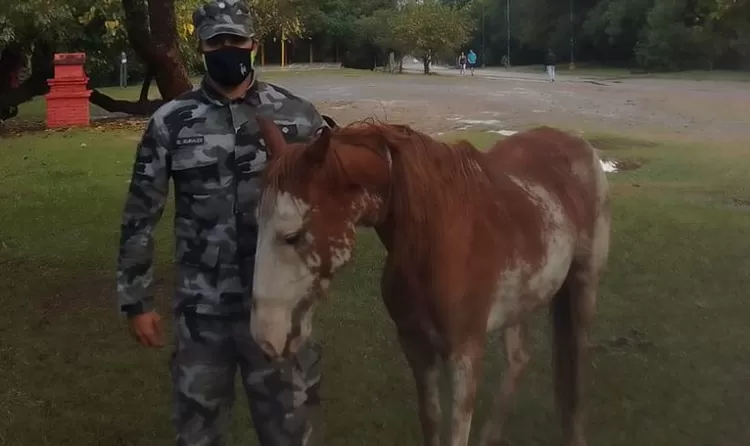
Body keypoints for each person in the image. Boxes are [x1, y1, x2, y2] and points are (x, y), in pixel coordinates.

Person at [115, 1, 329, 445]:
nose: (227, 49)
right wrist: (136, 300)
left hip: (277, 307)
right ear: (202, 47)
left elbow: (332, 204)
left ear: (253, 43)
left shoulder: (299, 117)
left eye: (236, 40)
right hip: (201, 313)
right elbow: (141, 212)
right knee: (197, 432)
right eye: (217, 42)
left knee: (289, 429)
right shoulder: (171, 123)